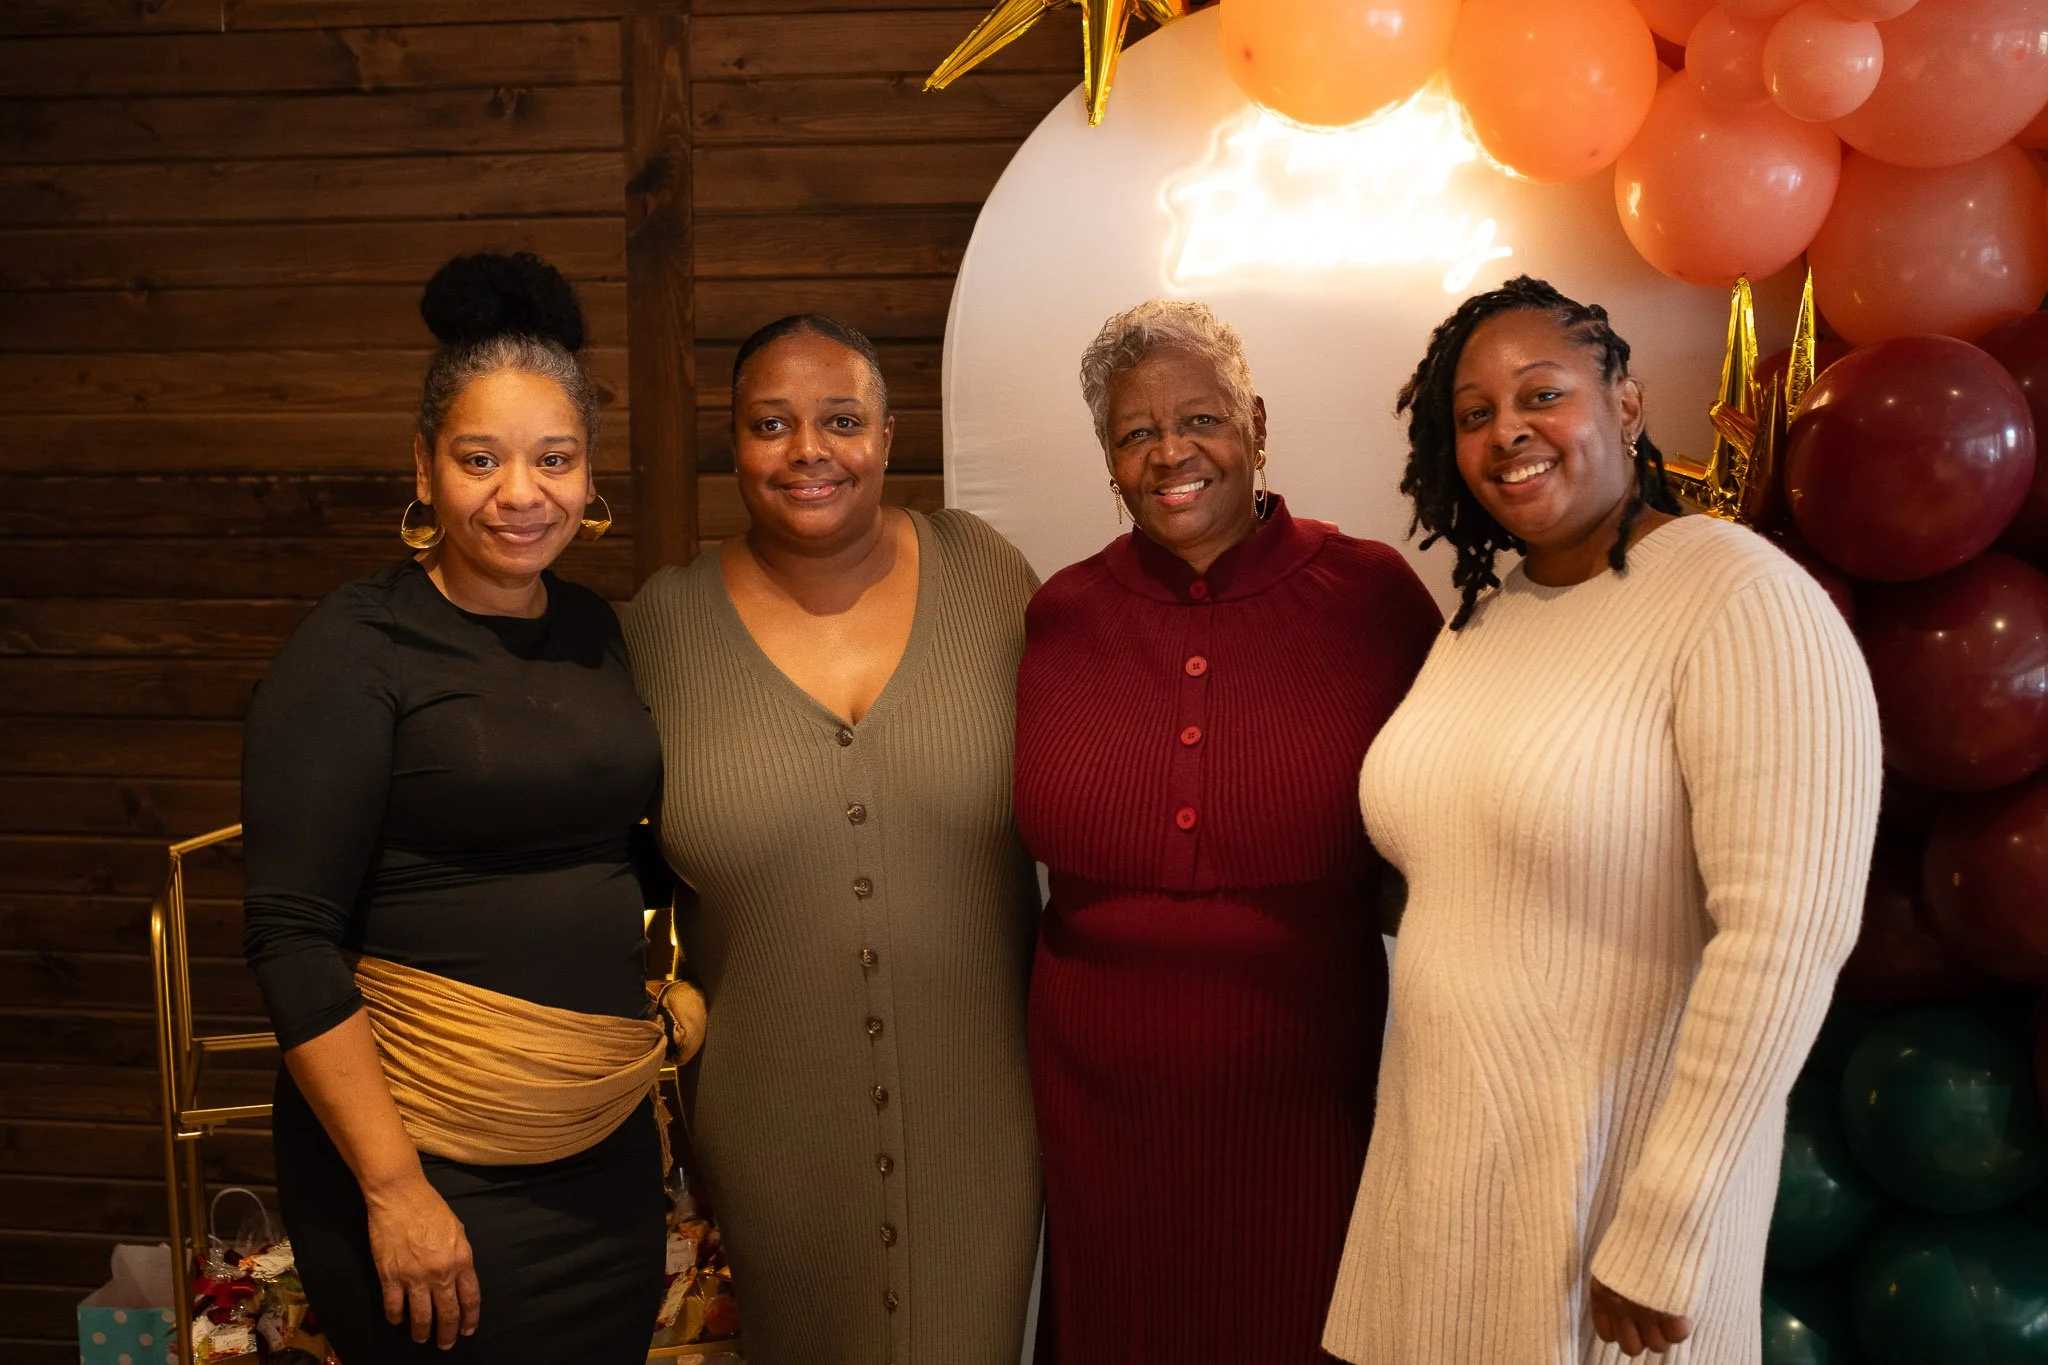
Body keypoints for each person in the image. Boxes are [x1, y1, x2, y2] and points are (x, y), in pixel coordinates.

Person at [1322, 276, 1882, 1364]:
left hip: (1609, 1228)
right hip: (1433, 1211)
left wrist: (1671, 1216)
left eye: (1542, 394)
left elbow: (1784, 938)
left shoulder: (1740, 597)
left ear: (1624, 404)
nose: (1506, 431)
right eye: (1474, 414)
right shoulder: (1484, 620)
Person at [242, 251, 696, 1362]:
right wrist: (395, 1191)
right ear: (424, 465)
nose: (520, 493)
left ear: (588, 473)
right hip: (425, 1163)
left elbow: (611, 849)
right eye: (479, 458)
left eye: (555, 458)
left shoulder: (595, 629)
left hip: (601, 1158)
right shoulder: (355, 649)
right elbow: (290, 937)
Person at [1014, 299, 1443, 1363]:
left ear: (1255, 422)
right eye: (1135, 432)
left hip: (1307, 1102)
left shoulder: (1372, 599)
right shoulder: (1061, 614)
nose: (1170, 453)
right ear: (1108, 460)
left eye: (1199, 418)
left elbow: (1455, 824)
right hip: (1096, 1113)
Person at [624, 314, 1043, 1365]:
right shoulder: (661, 629)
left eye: (842, 420)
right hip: (769, 1135)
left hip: (990, 1124)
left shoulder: (986, 577)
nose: (808, 449)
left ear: (889, 438)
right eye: (771, 423)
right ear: (732, 443)